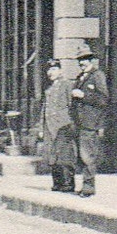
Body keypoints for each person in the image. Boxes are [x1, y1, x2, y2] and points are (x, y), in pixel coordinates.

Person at [69, 48, 110, 197]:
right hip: (79, 122)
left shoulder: (97, 76)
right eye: (80, 60)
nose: (82, 63)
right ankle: (84, 185)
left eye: (85, 59)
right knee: (81, 156)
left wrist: (84, 95)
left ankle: (89, 187)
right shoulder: (80, 77)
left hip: (90, 122)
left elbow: (103, 99)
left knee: (88, 156)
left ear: (91, 60)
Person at [40, 59, 77, 193]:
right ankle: (57, 183)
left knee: (65, 155)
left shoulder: (67, 85)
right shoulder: (49, 88)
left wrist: (72, 124)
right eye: (49, 70)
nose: (51, 72)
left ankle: (68, 183)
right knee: (52, 155)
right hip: (49, 126)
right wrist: (41, 128)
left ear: (60, 70)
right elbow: (44, 109)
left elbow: (72, 106)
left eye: (54, 69)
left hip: (63, 125)